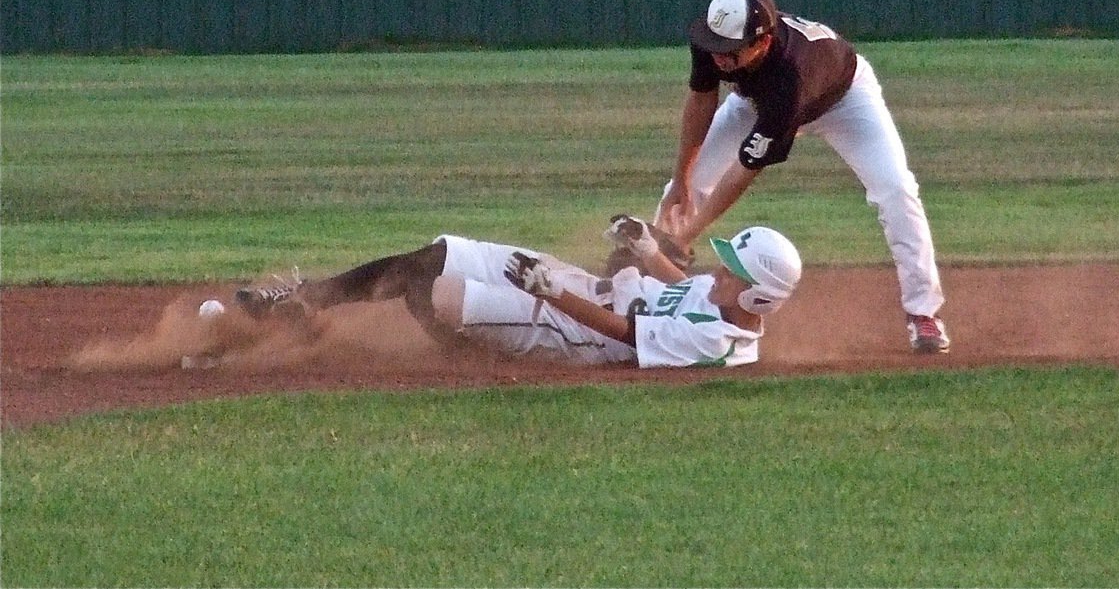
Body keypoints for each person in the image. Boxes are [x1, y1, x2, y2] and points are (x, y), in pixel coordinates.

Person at [654, 0, 949, 354]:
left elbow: (743, 172)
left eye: (729, 52)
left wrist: (690, 233)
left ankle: (924, 313)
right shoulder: (716, 36)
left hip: (845, 101)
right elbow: (701, 101)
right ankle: (648, 290)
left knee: (896, 189)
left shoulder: (791, 80)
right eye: (714, 46)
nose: (718, 58)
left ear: (761, 42)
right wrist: (682, 178)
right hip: (753, 101)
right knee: (685, 187)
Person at [233, 216, 803, 369]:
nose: (721, 272)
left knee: (433, 291)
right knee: (437, 254)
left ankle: (460, 355)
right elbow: (689, 287)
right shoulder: (722, 300)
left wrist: (551, 291)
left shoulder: (716, 345)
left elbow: (625, 334)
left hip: (572, 326)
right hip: (586, 288)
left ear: (758, 299)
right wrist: (648, 254)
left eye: (734, 271)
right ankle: (304, 302)